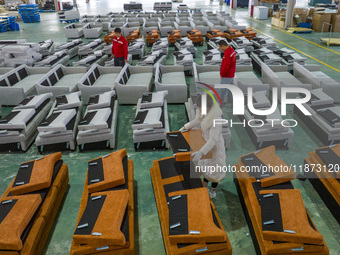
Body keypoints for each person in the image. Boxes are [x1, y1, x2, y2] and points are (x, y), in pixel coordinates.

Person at [180, 94, 226, 199]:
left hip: (215, 149)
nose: (199, 109)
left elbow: (213, 139)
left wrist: (201, 152)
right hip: (206, 146)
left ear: (207, 107)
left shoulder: (215, 120)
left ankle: (212, 191)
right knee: (205, 168)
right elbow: (197, 121)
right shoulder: (204, 112)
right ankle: (204, 187)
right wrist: (186, 126)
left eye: (200, 107)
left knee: (215, 173)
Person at [218, 40, 236, 104]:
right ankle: (234, 103)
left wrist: (222, 74)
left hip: (227, 76)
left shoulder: (227, 53)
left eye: (220, 48)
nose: (221, 49)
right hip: (231, 75)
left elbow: (226, 66)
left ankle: (220, 106)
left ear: (223, 46)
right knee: (230, 90)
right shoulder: (232, 51)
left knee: (222, 91)